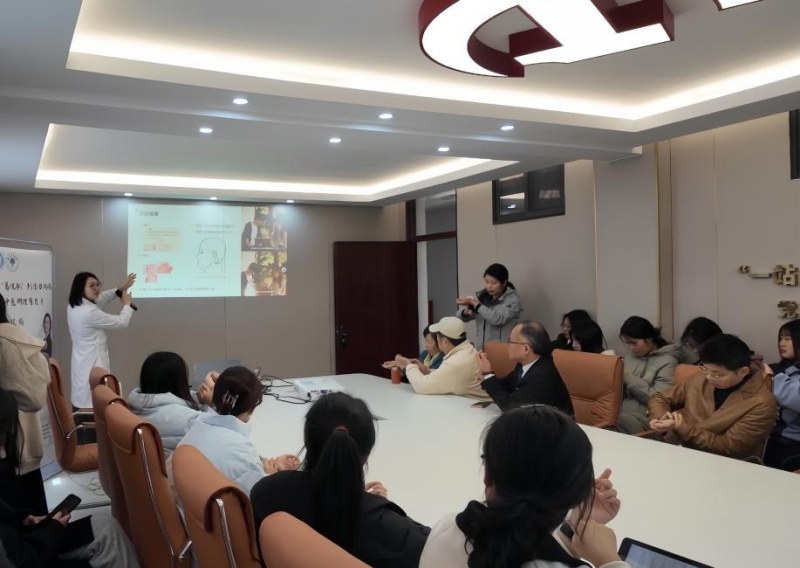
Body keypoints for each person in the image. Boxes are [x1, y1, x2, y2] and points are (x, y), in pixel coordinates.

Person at [419, 405, 627, 568]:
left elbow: (524, 546)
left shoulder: (446, 530)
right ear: (577, 495)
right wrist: (610, 561)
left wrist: (570, 531)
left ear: (488, 475)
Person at [250, 392, 430, 568]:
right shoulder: (386, 528)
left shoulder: (265, 493)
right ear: (367, 452)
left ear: (307, 440)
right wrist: (379, 508)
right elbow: (438, 553)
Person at [0, 388, 140, 568]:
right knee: (107, 538)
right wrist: (53, 530)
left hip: (22, 542)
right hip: (26, 554)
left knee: (104, 524)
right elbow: (19, 561)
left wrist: (22, 520)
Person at [648, 334, 776, 460]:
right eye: (705, 369)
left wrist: (683, 429)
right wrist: (661, 419)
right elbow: (660, 398)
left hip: (717, 462)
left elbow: (729, 448)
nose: (708, 377)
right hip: (673, 448)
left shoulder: (761, 403)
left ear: (743, 371)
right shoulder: (702, 376)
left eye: (717, 374)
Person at [172, 366, 298, 494]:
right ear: (251, 408)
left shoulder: (195, 429)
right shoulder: (244, 455)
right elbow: (261, 499)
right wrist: (270, 477)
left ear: (215, 395)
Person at [0, 294, 51, 514]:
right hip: (22, 448)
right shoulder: (18, 339)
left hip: (12, 452)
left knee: (20, 522)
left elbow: (34, 398)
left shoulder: (6, 344)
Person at [127, 352, 215, 459]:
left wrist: (199, 398)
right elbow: (221, 429)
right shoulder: (186, 418)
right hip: (183, 467)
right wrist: (212, 402)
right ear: (179, 383)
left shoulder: (137, 405)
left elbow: (174, 398)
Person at [67, 272, 135, 409]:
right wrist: (127, 304)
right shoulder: (89, 313)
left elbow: (102, 298)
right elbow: (121, 322)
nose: (96, 288)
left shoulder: (74, 306)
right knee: (95, 400)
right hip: (92, 363)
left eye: (98, 284)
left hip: (82, 361)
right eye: (92, 285)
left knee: (85, 397)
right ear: (81, 288)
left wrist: (120, 289)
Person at [476, 322, 573, 414]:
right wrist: (486, 377)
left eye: (510, 341)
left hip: (554, 424)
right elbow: (508, 384)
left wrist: (488, 375)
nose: (508, 345)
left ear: (526, 349)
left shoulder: (542, 376)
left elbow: (511, 408)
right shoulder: (526, 363)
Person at [392, 317, 488, 399]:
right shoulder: (468, 350)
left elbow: (422, 386)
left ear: (445, 341)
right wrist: (427, 371)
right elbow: (449, 375)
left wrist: (408, 365)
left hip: (477, 410)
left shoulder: (455, 362)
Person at [617, 316, 680, 434]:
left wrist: (628, 378)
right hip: (622, 411)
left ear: (649, 338)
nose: (631, 348)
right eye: (626, 343)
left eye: (634, 343)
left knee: (615, 421)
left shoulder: (668, 361)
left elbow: (659, 399)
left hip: (646, 417)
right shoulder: (630, 357)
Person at [455, 263, 522, 349]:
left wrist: (475, 304)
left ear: (504, 282)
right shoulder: (484, 298)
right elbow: (459, 317)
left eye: (493, 283)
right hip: (482, 350)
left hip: (501, 351)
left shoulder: (512, 301)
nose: (489, 286)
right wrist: (465, 313)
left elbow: (497, 319)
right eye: (487, 282)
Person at [764, 320, 800, 470]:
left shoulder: (773, 374)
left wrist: (771, 379)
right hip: (769, 437)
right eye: (780, 339)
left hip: (794, 442)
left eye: (788, 339)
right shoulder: (776, 368)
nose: (782, 344)